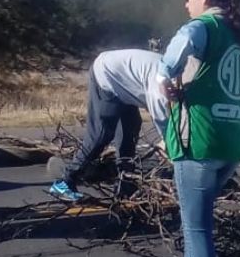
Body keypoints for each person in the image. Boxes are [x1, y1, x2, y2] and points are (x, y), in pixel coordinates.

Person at [160, 0, 240, 257]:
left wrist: (164, 81)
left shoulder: (200, 27)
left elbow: (168, 62)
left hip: (198, 140)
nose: (186, 3)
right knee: (198, 223)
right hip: (232, 141)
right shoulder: (236, 32)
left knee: (196, 230)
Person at [48, 49, 169, 202]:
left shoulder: (179, 78)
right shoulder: (160, 91)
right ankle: (65, 182)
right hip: (107, 73)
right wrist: (167, 147)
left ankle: (126, 185)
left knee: (129, 131)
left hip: (126, 79)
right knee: (101, 133)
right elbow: (165, 129)